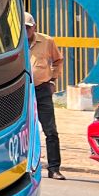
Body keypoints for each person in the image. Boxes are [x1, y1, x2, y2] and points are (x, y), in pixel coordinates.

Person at [25, 12, 67, 180]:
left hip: (42, 90)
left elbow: (58, 60)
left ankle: (54, 168)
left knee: (50, 131)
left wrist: (53, 80)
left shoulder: (47, 41)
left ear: (34, 27)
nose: (26, 31)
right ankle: (24, 166)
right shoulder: (14, 42)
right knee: (23, 131)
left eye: (28, 28)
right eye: (23, 28)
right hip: (23, 91)